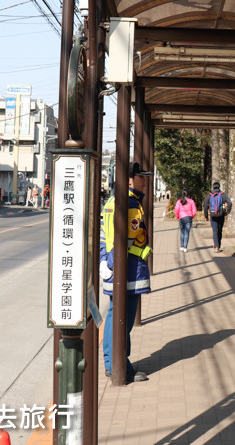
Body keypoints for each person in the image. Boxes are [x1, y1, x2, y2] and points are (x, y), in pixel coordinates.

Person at [100, 161, 153, 383]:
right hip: (127, 271)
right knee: (123, 319)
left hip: (115, 268)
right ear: (130, 180)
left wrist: (105, 261)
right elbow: (124, 240)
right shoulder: (131, 204)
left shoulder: (112, 201)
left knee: (115, 316)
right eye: (141, 176)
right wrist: (112, 263)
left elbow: (105, 235)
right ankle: (118, 366)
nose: (145, 180)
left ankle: (117, 362)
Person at [202, 181, 233, 253]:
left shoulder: (209, 195)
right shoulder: (223, 194)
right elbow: (230, 203)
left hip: (213, 215)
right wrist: (227, 212)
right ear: (219, 187)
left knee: (215, 231)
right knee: (219, 230)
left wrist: (206, 216)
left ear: (213, 187)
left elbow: (206, 206)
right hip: (221, 215)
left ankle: (216, 246)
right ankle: (218, 244)